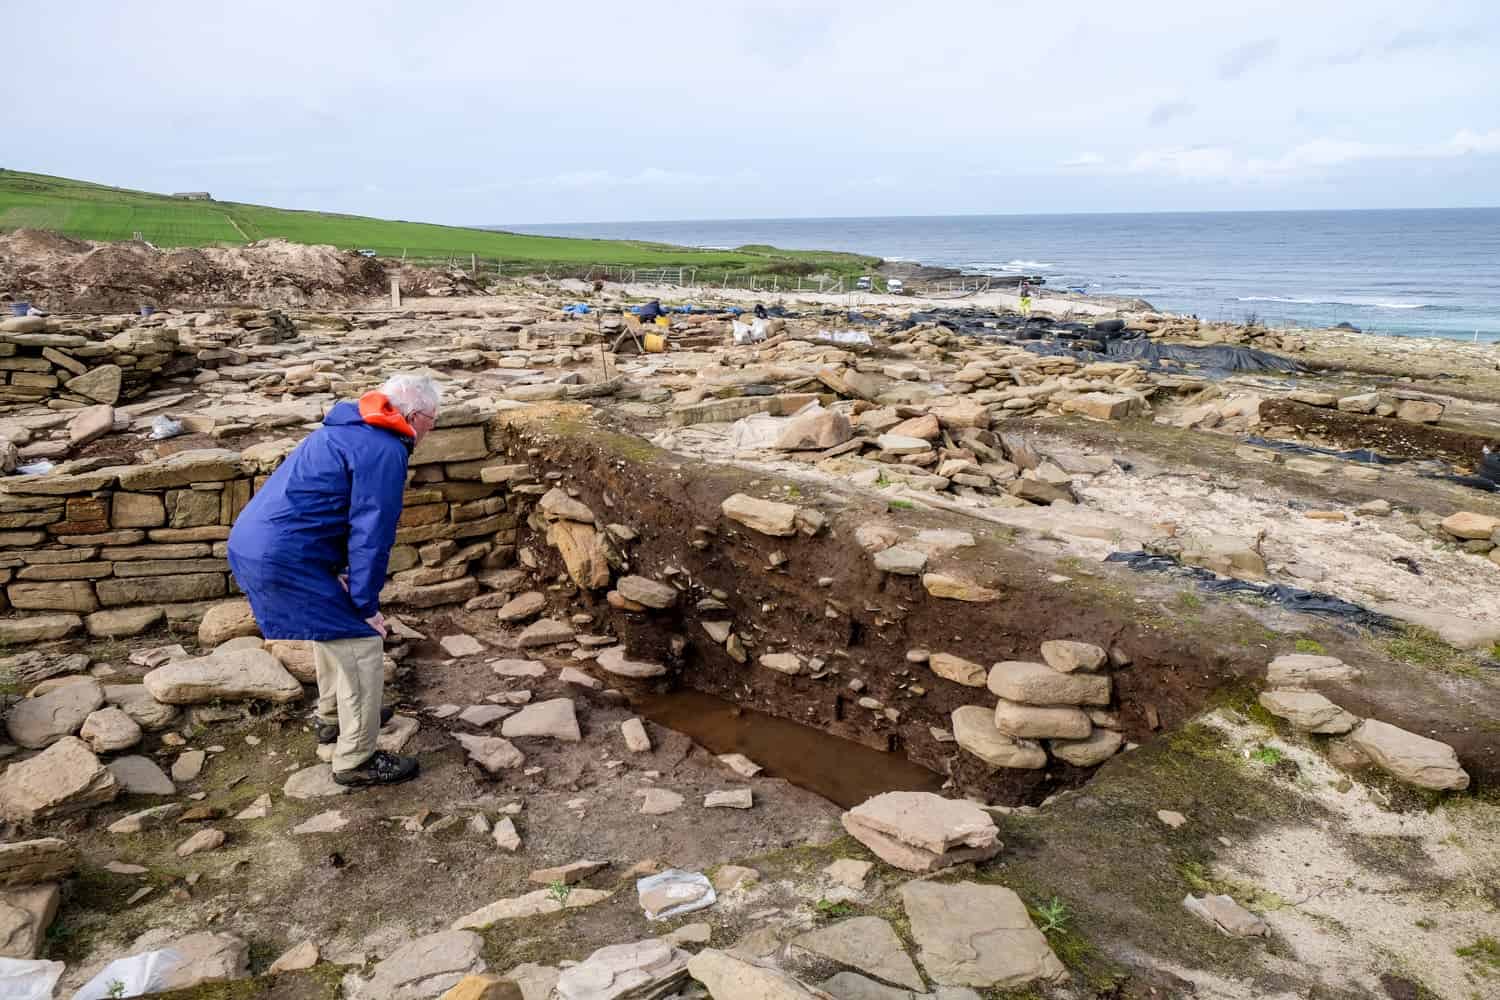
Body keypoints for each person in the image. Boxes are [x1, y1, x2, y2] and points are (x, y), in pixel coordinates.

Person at [227, 373, 441, 787]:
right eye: (432, 422)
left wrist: (343, 578)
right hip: (286, 555)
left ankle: (334, 718)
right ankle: (356, 758)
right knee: (361, 640)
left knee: (332, 630)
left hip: (262, 543)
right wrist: (366, 605)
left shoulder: (350, 429)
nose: (432, 432)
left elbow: (330, 509)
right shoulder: (384, 449)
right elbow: (371, 534)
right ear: (414, 416)